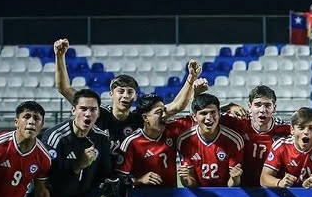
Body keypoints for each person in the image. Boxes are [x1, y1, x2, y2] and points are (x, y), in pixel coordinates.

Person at [53, 38, 202, 146]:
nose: (125, 95)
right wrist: (60, 56)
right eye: (121, 91)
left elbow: (177, 106)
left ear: (135, 95)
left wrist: (191, 78)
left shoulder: (140, 118)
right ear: (111, 94)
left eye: (130, 92)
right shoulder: (97, 113)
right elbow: (64, 89)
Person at [220, 85, 291, 187]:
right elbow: (207, 115)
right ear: (249, 107)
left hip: (273, 188)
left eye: (267, 105)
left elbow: (310, 131)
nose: (262, 110)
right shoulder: (239, 121)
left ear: (274, 108)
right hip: (242, 187)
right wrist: (229, 106)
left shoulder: (285, 129)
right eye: (257, 105)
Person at [176, 93, 245, 188]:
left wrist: (235, 179)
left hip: (227, 193)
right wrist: (185, 179)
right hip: (200, 194)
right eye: (203, 113)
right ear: (194, 117)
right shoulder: (185, 140)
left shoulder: (234, 140)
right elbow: (191, 183)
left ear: (219, 113)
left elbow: (232, 184)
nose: (209, 118)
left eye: (213, 112)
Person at [261, 107, 312, 189]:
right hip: (289, 196)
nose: (306, 132)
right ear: (292, 130)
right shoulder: (281, 146)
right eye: (301, 128)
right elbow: (264, 178)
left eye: (311, 128)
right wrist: (280, 182)